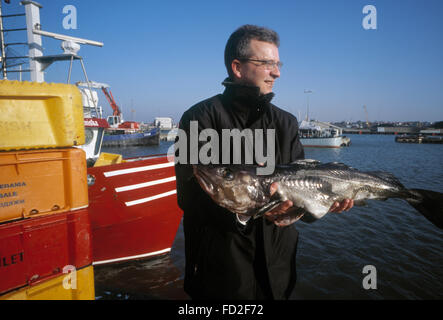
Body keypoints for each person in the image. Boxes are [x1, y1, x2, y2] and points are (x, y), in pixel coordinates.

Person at [174, 24, 353, 300]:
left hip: (277, 273)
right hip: (221, 275)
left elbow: (300, 189)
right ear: (238, 67)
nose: (277, 72)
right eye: (267, 63)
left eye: (277, 63)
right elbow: (188, 196)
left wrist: (322, 203)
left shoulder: (285, 122)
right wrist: (245, 213)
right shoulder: (198, 118)